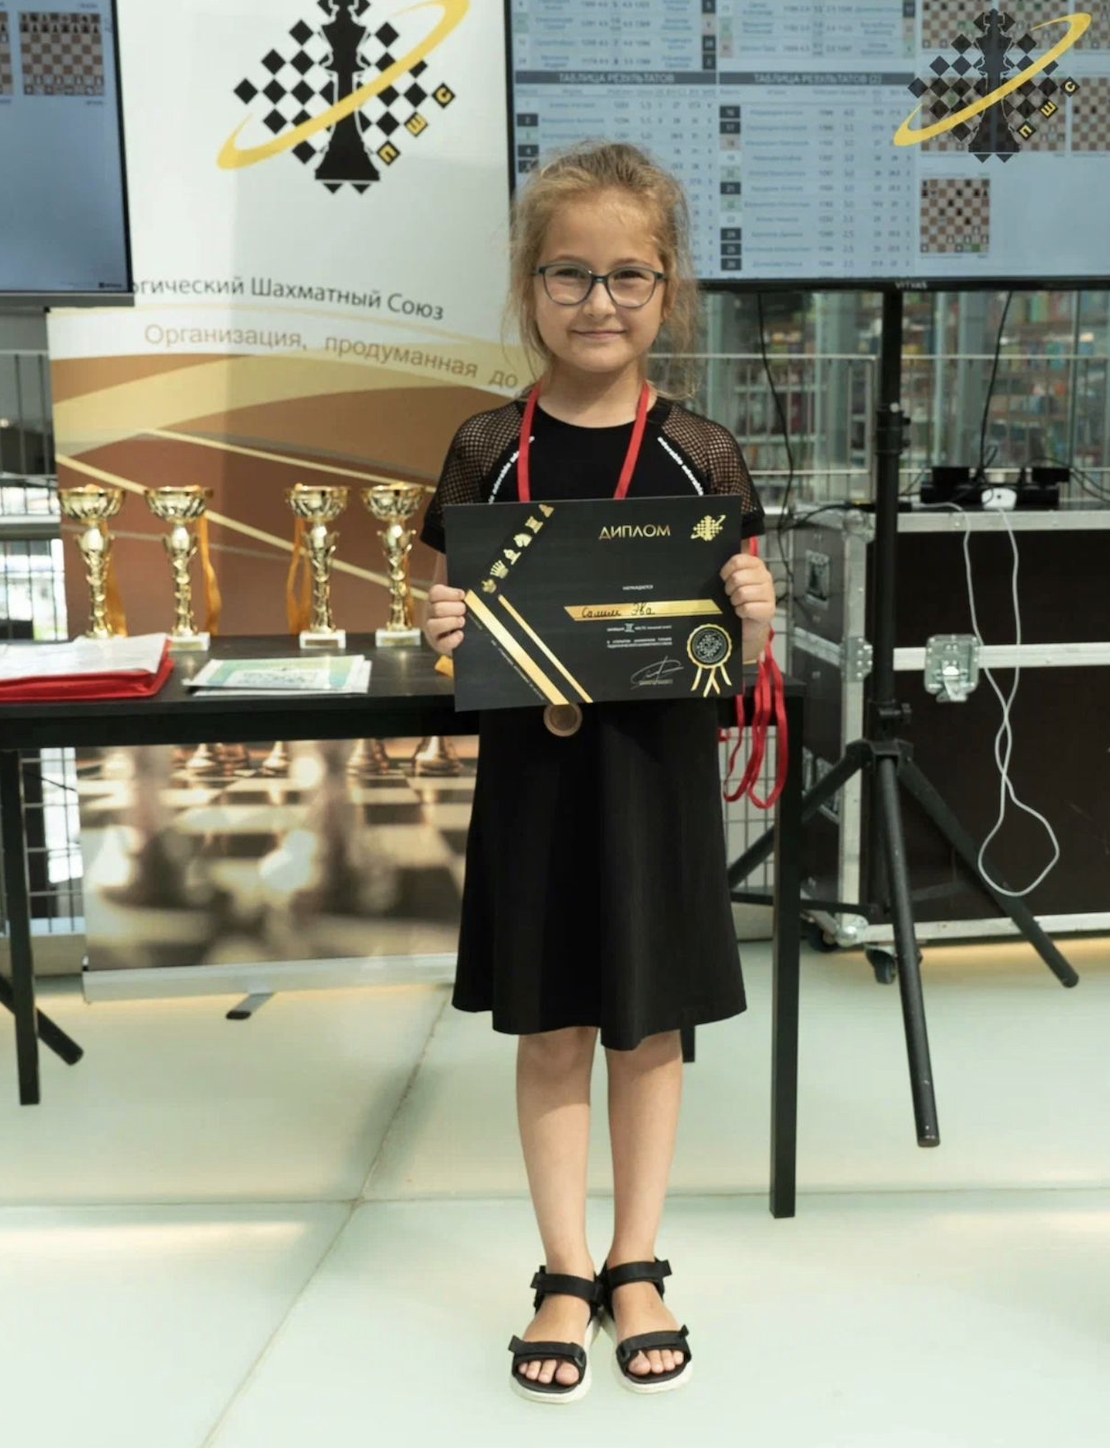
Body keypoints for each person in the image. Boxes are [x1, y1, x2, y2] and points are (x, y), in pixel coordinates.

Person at [419, 141, 774, 1403]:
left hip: (654, 780)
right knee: (553, 1024)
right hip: (536, 781)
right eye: (569, 273)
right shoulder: (485, 448)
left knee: (650, 1023)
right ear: (531, 285)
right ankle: (563, 1268)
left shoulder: (703, 455)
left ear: (668, 290)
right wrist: (440, 627)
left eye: (629, 275)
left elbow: (732, 654)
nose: (598, 301)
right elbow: (448, 613)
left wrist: (754, 618)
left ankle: (637, 1261)